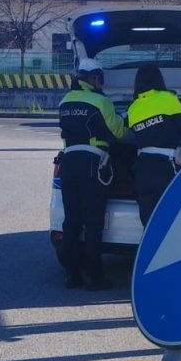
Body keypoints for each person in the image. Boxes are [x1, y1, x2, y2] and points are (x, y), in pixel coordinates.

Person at [57, 57, 130, 290]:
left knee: (71, 222)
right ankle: (95, 277)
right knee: (93, 223)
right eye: (98, 77)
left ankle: (71, 274)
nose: (100, 81)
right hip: (91, 165)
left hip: (68, 163)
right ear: (93, 77)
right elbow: (118, 132)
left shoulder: (65, 100)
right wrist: (130, 122)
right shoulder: (101, 101)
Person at [127, 64, 181, 227]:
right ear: (159, 79)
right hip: (165, 167)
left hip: (142, 169)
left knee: (148, 223)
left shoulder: (133, 108)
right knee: (169, 222)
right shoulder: (168, 99)